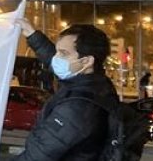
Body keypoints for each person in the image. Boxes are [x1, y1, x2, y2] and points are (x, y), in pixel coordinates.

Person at [13, 17, 116, 161]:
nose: (56, 58)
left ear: (86, 61)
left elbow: (37, 156)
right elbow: (54, 59)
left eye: (63, 53)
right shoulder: (95, 83)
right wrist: (31, 34)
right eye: (57, 52)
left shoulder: (76, 108)